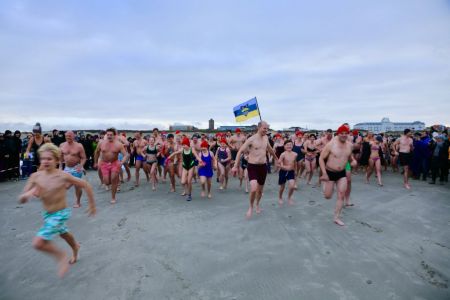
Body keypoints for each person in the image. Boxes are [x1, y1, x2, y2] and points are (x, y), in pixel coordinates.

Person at [18, 143, 96, 278]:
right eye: (43, 159)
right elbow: (22, 198)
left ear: (57, 160)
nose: (45, 161)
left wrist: (92, 205)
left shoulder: (62, 176)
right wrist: (27, 195)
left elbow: (85, 185)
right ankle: (75, 247)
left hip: (61, 213)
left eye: (49, 159)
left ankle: (61, 256)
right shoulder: (35, 177)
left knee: (38, 243)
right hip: (48, 214)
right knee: (63, 233)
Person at [232, 121, 278, 219]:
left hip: (263, 167)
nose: (266, 130)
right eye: (264, 128)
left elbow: (269, 149)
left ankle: (257, 204)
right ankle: (251, 207)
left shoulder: (266, 138)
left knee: (260, 191)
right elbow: (240, 151)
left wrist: (277, 159)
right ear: (259, 127)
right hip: (252, 166)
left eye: (267, 128)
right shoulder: (251, 139)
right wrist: (235, 165)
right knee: (253, 189)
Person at [319, 124, 357, 226]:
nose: (344, 135)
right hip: (330, 172)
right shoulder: (331, 145)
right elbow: (321, 158)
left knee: (341, 195)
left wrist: (353, 161)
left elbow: (350, 157)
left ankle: (336, 217)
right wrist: (324, 173)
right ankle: (325, 184)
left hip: (342, 174)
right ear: (338, 134)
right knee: (328, 196)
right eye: (342, 133)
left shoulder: (350, 145)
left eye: (346, 133)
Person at [94, 128, 128, 204]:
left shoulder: (118, 144)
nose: (109, 136)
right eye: (108, 135)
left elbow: (126, 155)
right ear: (106, 135)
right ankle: (111, 182)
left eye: (111, 135)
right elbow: (96, 152)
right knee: (107, 182)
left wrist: (121, 162)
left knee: (113, 179)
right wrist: (95, 162)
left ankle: (113, 197)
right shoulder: (101, 143)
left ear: (114, 136)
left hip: (114, 163)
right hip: (104, 163)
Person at [59, 131, 87, 208]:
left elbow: (84, 158)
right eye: (67, 136)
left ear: (73, 136)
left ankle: (78, 202)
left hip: (76, 167)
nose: (68, 137)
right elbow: (60, 158)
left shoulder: (79, 146)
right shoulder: (62, 145)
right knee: (66, 186)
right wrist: (60, 167)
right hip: (67, 168)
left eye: (70, 136)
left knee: (77, 186)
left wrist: (81, 166)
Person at [168, 137, 198, 201]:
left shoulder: (191, 149)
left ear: (188, 144)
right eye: (183, 145)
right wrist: (169, 157)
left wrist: (201, 161)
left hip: (191, 165)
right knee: (183, 181)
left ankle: (189, 195)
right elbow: (175, 153)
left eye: (185, 145)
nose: (183, 146)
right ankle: (186, 190)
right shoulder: (182, 149)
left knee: (189, 181)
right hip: (184, 166)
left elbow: (197, 156)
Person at [277, 140, 298, 206]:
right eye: (287, 145)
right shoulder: (283, 154)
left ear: (293, 146)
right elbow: (278, 163)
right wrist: (283, 167)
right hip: (283, 172)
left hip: (291, 171)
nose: (289, 146)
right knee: (282, 187)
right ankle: (280, 197)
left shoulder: (295, 154)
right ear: (284, 146)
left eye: (290, 144)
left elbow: (295, 163)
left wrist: (296, 170)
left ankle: (289, 197)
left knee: (292, 186)